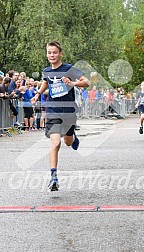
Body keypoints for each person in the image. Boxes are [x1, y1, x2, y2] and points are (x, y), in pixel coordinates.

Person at [31, 41, 90, 191]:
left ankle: (73, 136)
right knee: (55, 143)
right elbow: (46, 83)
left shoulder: (69, 69)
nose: (52, 55)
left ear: (60, 53)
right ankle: (53, 177)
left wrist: (72, 83)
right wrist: (37, 94)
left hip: (68, 111)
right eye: (49, 53)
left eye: (54, 52)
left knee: (68, 143)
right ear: (47, 54)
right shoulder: (46, 71)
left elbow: (86, 82)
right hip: (53, 111)